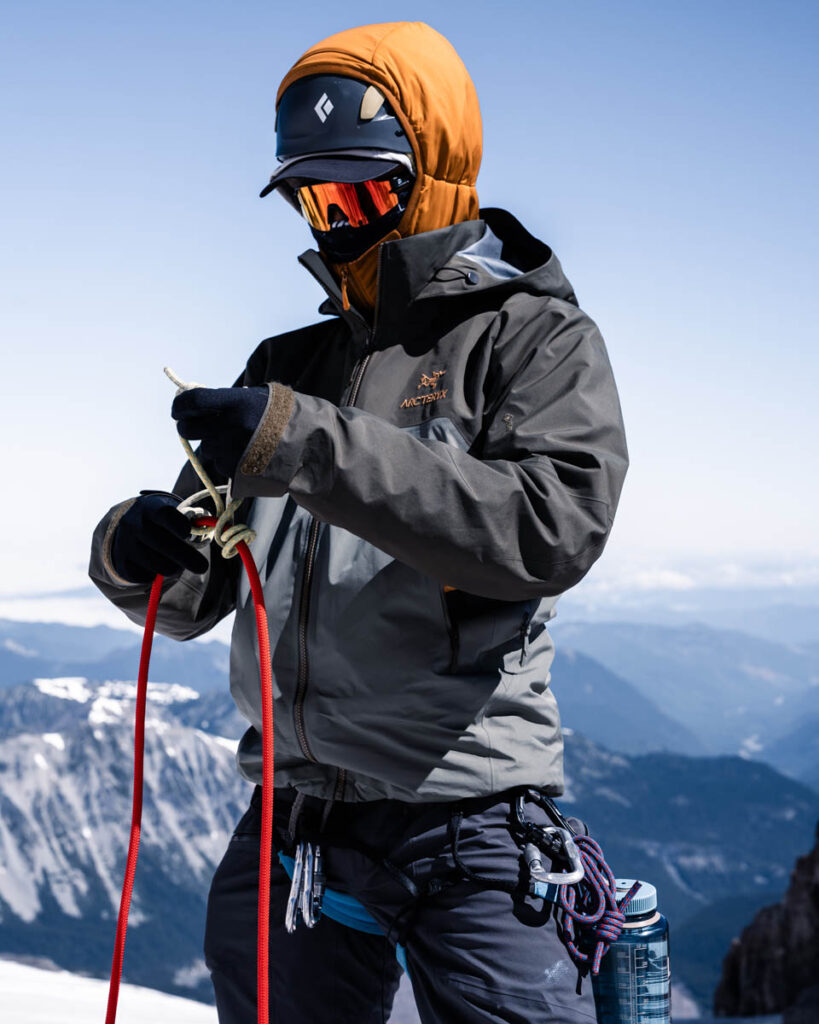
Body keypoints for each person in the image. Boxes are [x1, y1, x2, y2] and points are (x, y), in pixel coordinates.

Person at [89, 21, 628, 1024]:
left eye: (360, 194)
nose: (334, 223)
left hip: (467, 814)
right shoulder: (286, 366)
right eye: (313, 198)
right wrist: (134, 544)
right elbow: (195, 595)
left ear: (433, 177)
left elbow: (549, 530)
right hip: (293, 817)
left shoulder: (531, 338)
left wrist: (304, 442)